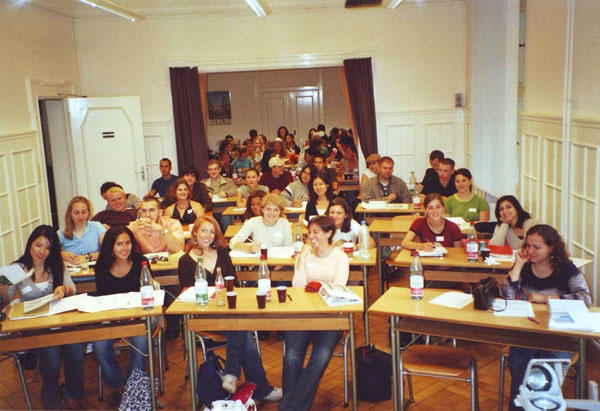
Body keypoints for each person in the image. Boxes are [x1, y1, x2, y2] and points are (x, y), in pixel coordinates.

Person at [177, 216, 283, 402]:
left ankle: (234, 377)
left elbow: (233, 284)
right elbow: (186, 294)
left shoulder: (223, 253)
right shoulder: (185, 261)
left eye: (212, 232)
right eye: (203, 230)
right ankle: (255, 385)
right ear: (195, 234)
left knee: (239, 327)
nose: (207, 235)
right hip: (203, 316)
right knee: (242, 330)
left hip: (227, 310)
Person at [501, 224, 591, 410]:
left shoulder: (566, 268)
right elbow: (509, 297)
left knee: (546, 371)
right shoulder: (525, 266)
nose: (530, 251)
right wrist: (518, 265)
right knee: (520, 367)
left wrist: (546, 298)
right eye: (528, 245)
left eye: (537, 247)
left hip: (559, 334)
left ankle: (544, 405)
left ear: (552, 248)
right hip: (529, 331)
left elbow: (584, 298)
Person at [1, 226, 83, 410]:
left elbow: (73, 288)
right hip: (33, 328)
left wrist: (64, 289)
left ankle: (73, 393)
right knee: (51, 351)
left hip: (58, 323)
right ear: (30, 243)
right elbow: (4, 302)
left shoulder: (56, 265)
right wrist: (3, 292)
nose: (42, 252)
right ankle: (51, 398)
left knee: (76, 346)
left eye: (48, 248)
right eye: (38, 245)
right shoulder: (16, 269)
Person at [280, 216, 349, 410]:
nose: (311, 236)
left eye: (316, 232)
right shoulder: (305, 255)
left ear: (329, 233)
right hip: (303, 313)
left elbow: (338, 287)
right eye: (309, 232)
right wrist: (302, 259)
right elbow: (298, 286)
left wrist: (315, 287)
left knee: (321, 356)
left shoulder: (339, 257)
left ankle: (289, 406)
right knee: (292, 356)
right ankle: (292, 406)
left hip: (330, 315)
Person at [92, 226, 151, 405]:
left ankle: (133, 386)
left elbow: (148, 293)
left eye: (128, 243)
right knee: (99, 345)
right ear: (111, 246)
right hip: (112, 317)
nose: (125, 248)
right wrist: (117, 317)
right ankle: (117, 384)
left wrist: (134, 315)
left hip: (141, 315)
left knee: (141, 340)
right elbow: (103, 298)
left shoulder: (141, 262)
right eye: (119, 244)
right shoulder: (102, 267)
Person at [59, 196, 106, 265]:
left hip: (93, 270)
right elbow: (49, 251)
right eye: (76, 213)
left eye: (84, 212)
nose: (80, 216)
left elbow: (107, 251)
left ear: (88, 213)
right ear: (70, 213)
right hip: (72, 270)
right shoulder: (61, 232)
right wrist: (61, 254)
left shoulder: (97, 226)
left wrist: (87, 257)